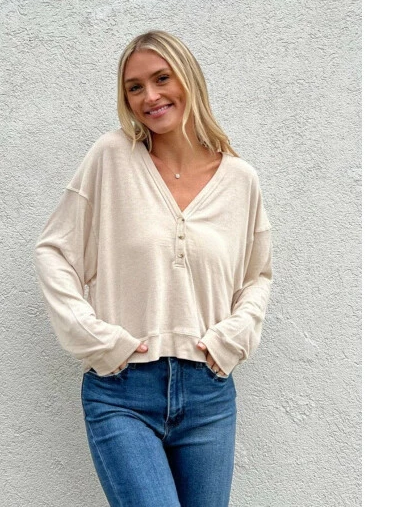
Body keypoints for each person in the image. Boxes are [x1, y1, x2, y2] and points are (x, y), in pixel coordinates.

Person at [34, 30, 273, 507]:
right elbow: (54, 251)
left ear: (188, 79)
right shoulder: (111, 158)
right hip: (122, 392)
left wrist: (231, 338)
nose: (150, 96)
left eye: (162, 79)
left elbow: (256, 277)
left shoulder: (240, 180)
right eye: (135, 87)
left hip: (209, 395)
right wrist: (98, 338)